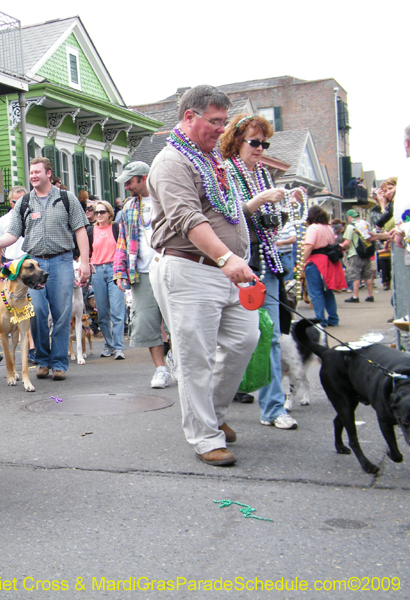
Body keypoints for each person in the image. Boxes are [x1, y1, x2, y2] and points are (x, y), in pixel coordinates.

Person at [147, 85, 286, 467]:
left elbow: (224, 207)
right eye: (215, 122)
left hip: (228, 270)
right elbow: (188, 219)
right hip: (190, 269)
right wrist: (226, 257)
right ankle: (205, 437)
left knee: (246, 339)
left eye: (225, 122)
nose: (222, 131)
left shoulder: (211, 160)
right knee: (197, 357)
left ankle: (215, 415)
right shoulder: (171, 161)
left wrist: (239, 240)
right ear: (189, 117)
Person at [219, 113, 301, 430]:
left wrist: (280, 206)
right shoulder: (225, 172)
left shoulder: (265, 176)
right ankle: (218, 404)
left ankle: (273, 408)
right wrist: (258, 201)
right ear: (237, 142)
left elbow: (271, 222)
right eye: (255, 142)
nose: (260, 148)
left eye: (264, 144)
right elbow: (227, 218)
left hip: (267, 264)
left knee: (271, 337)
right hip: (239, 267)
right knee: (237, 339)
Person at [0, 157, 90, 381]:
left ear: (49, 174)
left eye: (37, 172)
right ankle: (42, 361)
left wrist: (86, 263)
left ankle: (59, 363)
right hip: (33, 264)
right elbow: (12, 234)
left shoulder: (66, 198)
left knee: (61, 315)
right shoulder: (24, 202)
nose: (33, 176)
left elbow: (80, 231)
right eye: (31, 172)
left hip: (62, 261)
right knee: (37, 313)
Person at [112, 161, 172, 388]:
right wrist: (119, 272)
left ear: (144, 178)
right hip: (142, 273)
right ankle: (160, 369)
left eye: (130, 181)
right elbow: (123, 241)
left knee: (176, 322)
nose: (126, 186)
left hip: (169, 268)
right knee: (147, 322)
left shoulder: (167, 199)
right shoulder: (128, 207)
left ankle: (177, 361)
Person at [87, 200, 125, 359]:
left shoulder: (117, 228)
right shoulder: (90, 231)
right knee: (102, 312)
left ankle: (118, 347)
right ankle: (108, 345)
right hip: (97, 270)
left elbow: (123, 249)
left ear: (110, 213)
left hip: (114, 269)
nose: (99, 215)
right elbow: (86, 252)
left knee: (117, 310)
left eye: (102, 212)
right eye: (97, 212)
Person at [301, 205, 347, 326]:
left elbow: (309, 246)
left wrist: (301, 262)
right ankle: (333, 318)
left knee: (315, 292)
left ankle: (320, 320)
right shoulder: (328, 228)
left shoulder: (312, 228)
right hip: (328, 261)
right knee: (327, 292)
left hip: (315, 261)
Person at [341, 209, 376, 302]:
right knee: (368, 275)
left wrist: (341, 246)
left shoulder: (350, 227)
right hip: (366, 253)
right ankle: (370, 295)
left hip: (355, 254)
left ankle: (355, 296)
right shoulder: (365, 224)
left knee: (355, 275)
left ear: (349, 217)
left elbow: (347, 242)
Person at [0, 186, 27, 265]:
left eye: (22, 202)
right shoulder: (3, 220)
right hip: (11, 261)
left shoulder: (32, 216)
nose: (19, 205)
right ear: (10, 201)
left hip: (29, 259)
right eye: (16, 202)